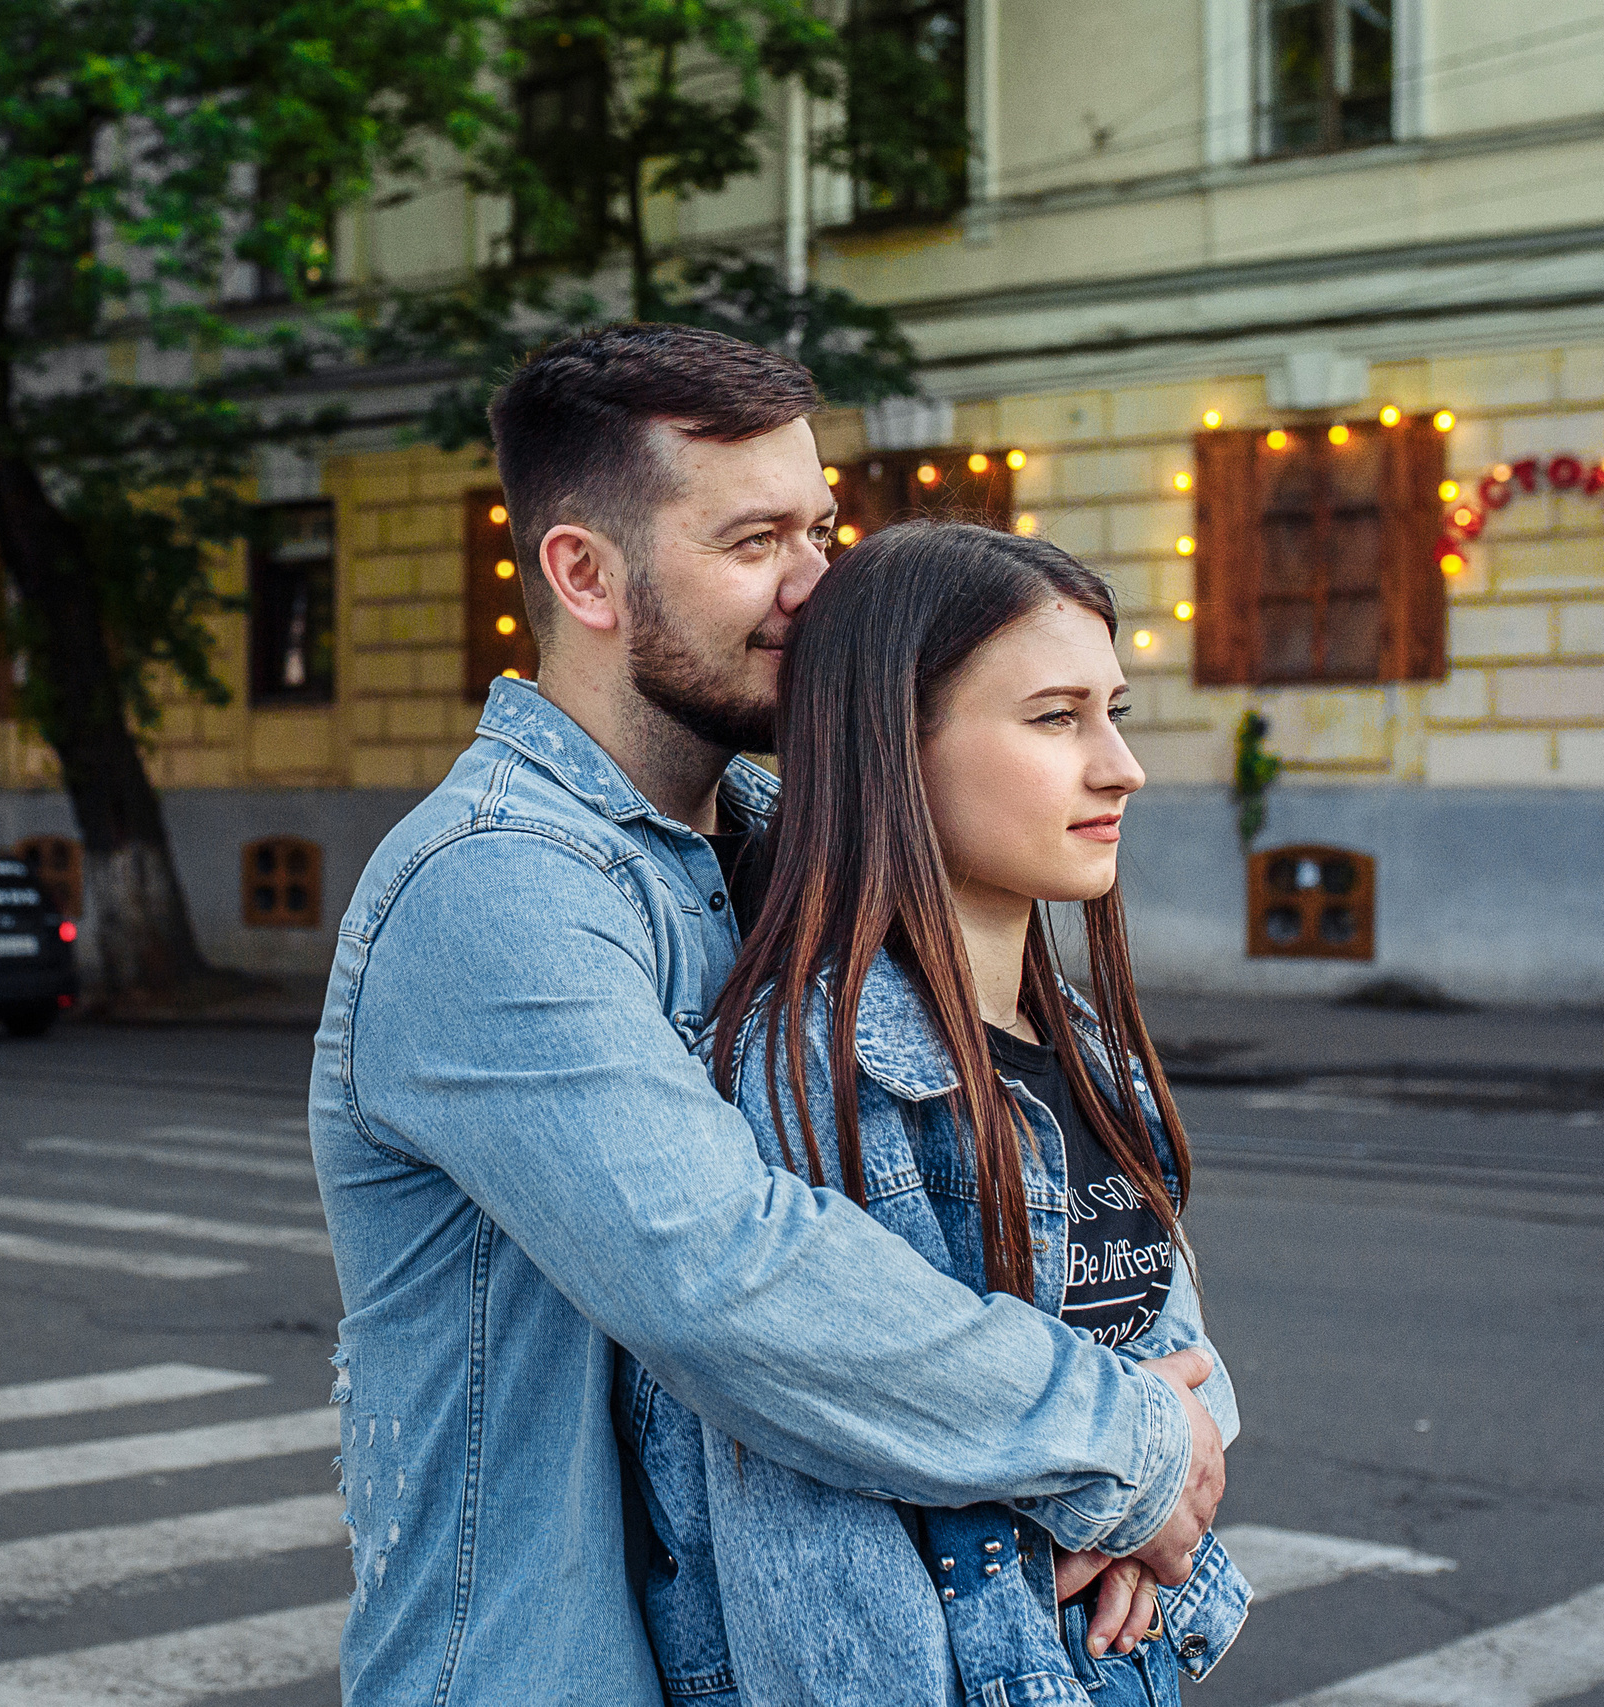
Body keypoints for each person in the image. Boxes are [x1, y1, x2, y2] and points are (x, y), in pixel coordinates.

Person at [310, 326, 1224, 1701]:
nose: (816, 586)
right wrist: (1124, 1447)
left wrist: (1168, 1428)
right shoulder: (492, 886)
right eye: (755, 543)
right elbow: (731, 1274)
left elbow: (1053, 1196)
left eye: (824, 527)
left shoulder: (786, 850)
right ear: (584, 573)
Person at [614, 522, 1249, 1706]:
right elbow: (807, 1526)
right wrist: (1140, 1469)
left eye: (1114, 712)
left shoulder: (1085, 1048)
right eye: (1056, 718)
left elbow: (1184, 1357)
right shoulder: (816, 1069)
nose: (1121, 766)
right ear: (892, 750)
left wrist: (1151, 1498)